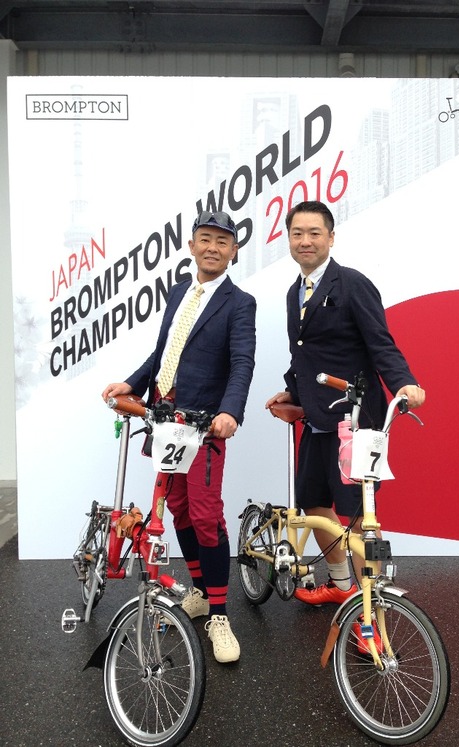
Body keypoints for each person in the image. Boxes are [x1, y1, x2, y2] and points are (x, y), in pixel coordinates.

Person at [102, 210, 256, 663]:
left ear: (233, 252)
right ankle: (201, 593)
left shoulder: (240, 302)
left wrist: (230, 411)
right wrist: (132, 383)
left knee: (206, 516)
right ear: (191, 245)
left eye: (222, 242)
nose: (212, 248)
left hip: (205, 424)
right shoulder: (177, 292)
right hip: (164, 418)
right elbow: (164, 352)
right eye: (205, 239)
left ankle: (220, 616)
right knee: (179, 509)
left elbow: (242, 361)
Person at [265, 200, 424, 605]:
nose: (305, 241)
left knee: (358, 515)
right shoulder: (294, 292)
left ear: (331, 238)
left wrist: (404, 383)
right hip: (317, 420)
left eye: (314, 233)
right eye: (297, 233)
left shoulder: (352, 283)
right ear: (288, 239)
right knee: (314, 504)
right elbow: (304, 353)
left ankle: (374, 604)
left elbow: (380, 344)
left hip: (355, 421)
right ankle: (341, 586)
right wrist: (293, 391)